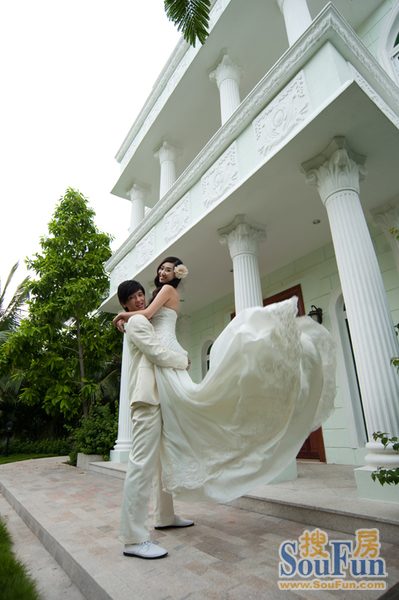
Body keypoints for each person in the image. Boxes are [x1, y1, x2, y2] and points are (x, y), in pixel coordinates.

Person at [114, 257, 336, 504]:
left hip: (168, 355)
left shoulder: (166, 291)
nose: (163, 272)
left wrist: (122, 316)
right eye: (161, 269)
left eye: (168, 269)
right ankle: (166, 513)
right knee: (177, 423)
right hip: (161, 361)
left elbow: (144, 315)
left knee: (192, 406)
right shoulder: (153, 299)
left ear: (177, 275)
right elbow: (143, 322)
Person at [117, 279, 194, 560]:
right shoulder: (137, 324)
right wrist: (182, 360)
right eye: (132, 298)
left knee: (161, 461)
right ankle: (133, 539)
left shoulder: (139, 320)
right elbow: (157, 354)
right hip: (146, 400)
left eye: (141, 295)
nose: (139, 300)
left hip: (157, 398)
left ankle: (165, 516)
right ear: (124, 305)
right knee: (141, 465)